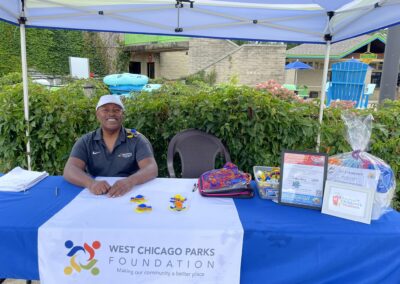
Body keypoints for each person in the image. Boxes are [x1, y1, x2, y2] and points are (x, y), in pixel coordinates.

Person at [63, 95, 158, 197]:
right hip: (95, 196)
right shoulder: (86, 141)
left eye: (117, 110)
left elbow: (151, 168)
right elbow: (70, 169)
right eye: (105, 110)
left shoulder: (136, 139)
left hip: (130, 194)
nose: (111, 114)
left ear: (122, 115)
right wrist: (91, 183)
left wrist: (129, 182)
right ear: (97, 115)